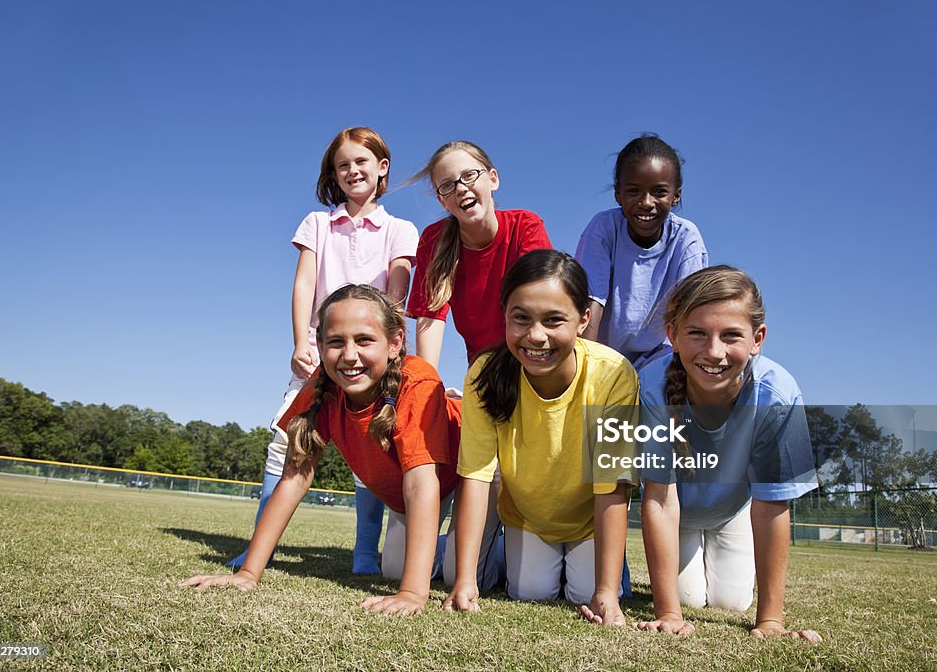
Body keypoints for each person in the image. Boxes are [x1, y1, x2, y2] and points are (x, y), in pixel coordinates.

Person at [183, 285, 497, 615]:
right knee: (393, 568)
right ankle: (448, 550)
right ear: (319, 346)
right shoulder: (323, 387)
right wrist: (249, 573)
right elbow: (294, 479)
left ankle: (504, 542)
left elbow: (421, 483)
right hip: (417, 492)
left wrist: (412, 593)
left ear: (394, 344)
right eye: (336, 342)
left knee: (466, 575)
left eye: (363, 340)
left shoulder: (417, 380)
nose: (349, 355)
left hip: (472, 478)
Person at [227, 127, 419, 575]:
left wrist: (388, 351)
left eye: (361, 162)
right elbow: (304, 285)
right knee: (287, 444)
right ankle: (262, 547)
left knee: (371, 449)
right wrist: (301, 340)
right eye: (342, 165)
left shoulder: (400, 229)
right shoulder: (317, 224)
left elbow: (397, 295)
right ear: (333, 174)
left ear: (382, 168)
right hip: (321, 353)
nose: (352, 171)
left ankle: (365, 554)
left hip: (370, 361)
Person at [443, 250, 638, 627]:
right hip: (527, 516)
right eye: (521, 319)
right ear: (504, 314)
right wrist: (464, 580)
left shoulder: (613, 375)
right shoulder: (484, 373)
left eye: (553, 321)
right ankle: (480, 552)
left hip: (588, 521)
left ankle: (601, 573)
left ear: (582, 321)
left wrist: (606, 592)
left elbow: (613, 485)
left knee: (587, 595)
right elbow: (476, 475)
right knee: (529, 590)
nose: (535, 336)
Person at [636, 265, 822, 641]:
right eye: (697, 334)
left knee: (730, 603)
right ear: (672, 334)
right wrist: (668, 612)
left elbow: (771, 504)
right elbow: (659, 499)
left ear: (758, 338)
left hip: (733, 511)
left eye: (731, 335)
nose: (714, 352)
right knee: (687, 600)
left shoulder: (777, 393)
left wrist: (770, 621)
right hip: (680, 514)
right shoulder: (651, 387)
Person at [406, 141, 552, 367]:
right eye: (448, 185)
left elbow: (538, 305)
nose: (461, 188)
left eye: (469, 175)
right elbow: (430, 317)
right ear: (442, 201)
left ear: (493, 179)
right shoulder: (434, 241)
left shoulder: (525, 226)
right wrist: (426, 384)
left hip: (535, 358)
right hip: (487, 373)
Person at [574, 133, 708, 372]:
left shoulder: (685, 239)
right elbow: (591, 301)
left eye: (659, 192)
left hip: (661, 360)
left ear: (676, 195)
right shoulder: (603, 229)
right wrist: (587, 370)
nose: (646, 202)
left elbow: (691, 312)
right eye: (634, 191)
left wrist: (683, 372)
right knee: (597, 408)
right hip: (603, 356)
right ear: (618, 194)